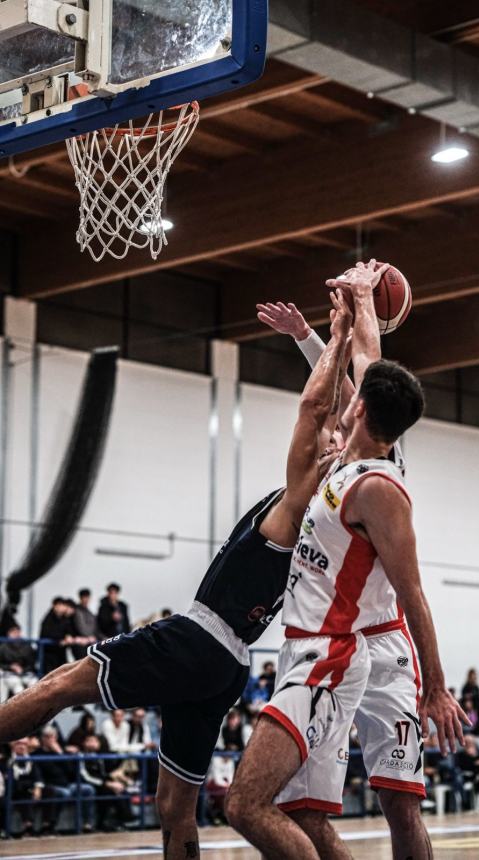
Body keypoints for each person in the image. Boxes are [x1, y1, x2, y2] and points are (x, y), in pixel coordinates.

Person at [0, 294, 352, 860]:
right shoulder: (329, 523)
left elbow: (317, 408)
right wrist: (311, 341)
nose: (332, 435)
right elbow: (341, 410)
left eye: (339, 441)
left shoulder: (302, 500)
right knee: (176, 806)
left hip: (197, 638)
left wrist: (333, 335)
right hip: (229, 665)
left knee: (58, 686)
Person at [226, 262, 468, 860]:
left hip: (369, 646)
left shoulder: (377, 486)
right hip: (333, 642)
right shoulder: (348, 458)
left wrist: (436, 685)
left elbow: (414, 594)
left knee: (399, 803)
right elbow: (361, 369)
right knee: (303, 810)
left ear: (360, 410)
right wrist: (349, 314)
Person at [0, 624, 38, 699]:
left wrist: (23, 669)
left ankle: (35, 708)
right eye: (13, 632)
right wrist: (11, 667)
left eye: (17, 631)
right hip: (9, 674)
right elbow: (1, 664)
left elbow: (31, 663)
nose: (16, 634)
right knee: (18, 689)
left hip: (25, 673)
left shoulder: (27, 645)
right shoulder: (3, 647)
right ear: (8, 633)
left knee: (35, 684)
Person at [39, 597, 74, 674]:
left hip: (60, 652)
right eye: (61, 605)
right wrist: (61, 639)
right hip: (49, 653)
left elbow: (68, 629)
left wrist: (68, 636)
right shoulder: (48, 619)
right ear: (55, 606)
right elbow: (48, 633)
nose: (64, 607)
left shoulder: (64, 618)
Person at [72, 589, 100, 659]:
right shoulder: (77, 611)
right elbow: (82, 628)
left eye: (87, 597)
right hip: (80, 645)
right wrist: (89, 637)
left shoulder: (89, 612)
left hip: (89, 643)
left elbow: (95, 627)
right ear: (80, 598)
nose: (86, 599)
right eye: (84, 597)